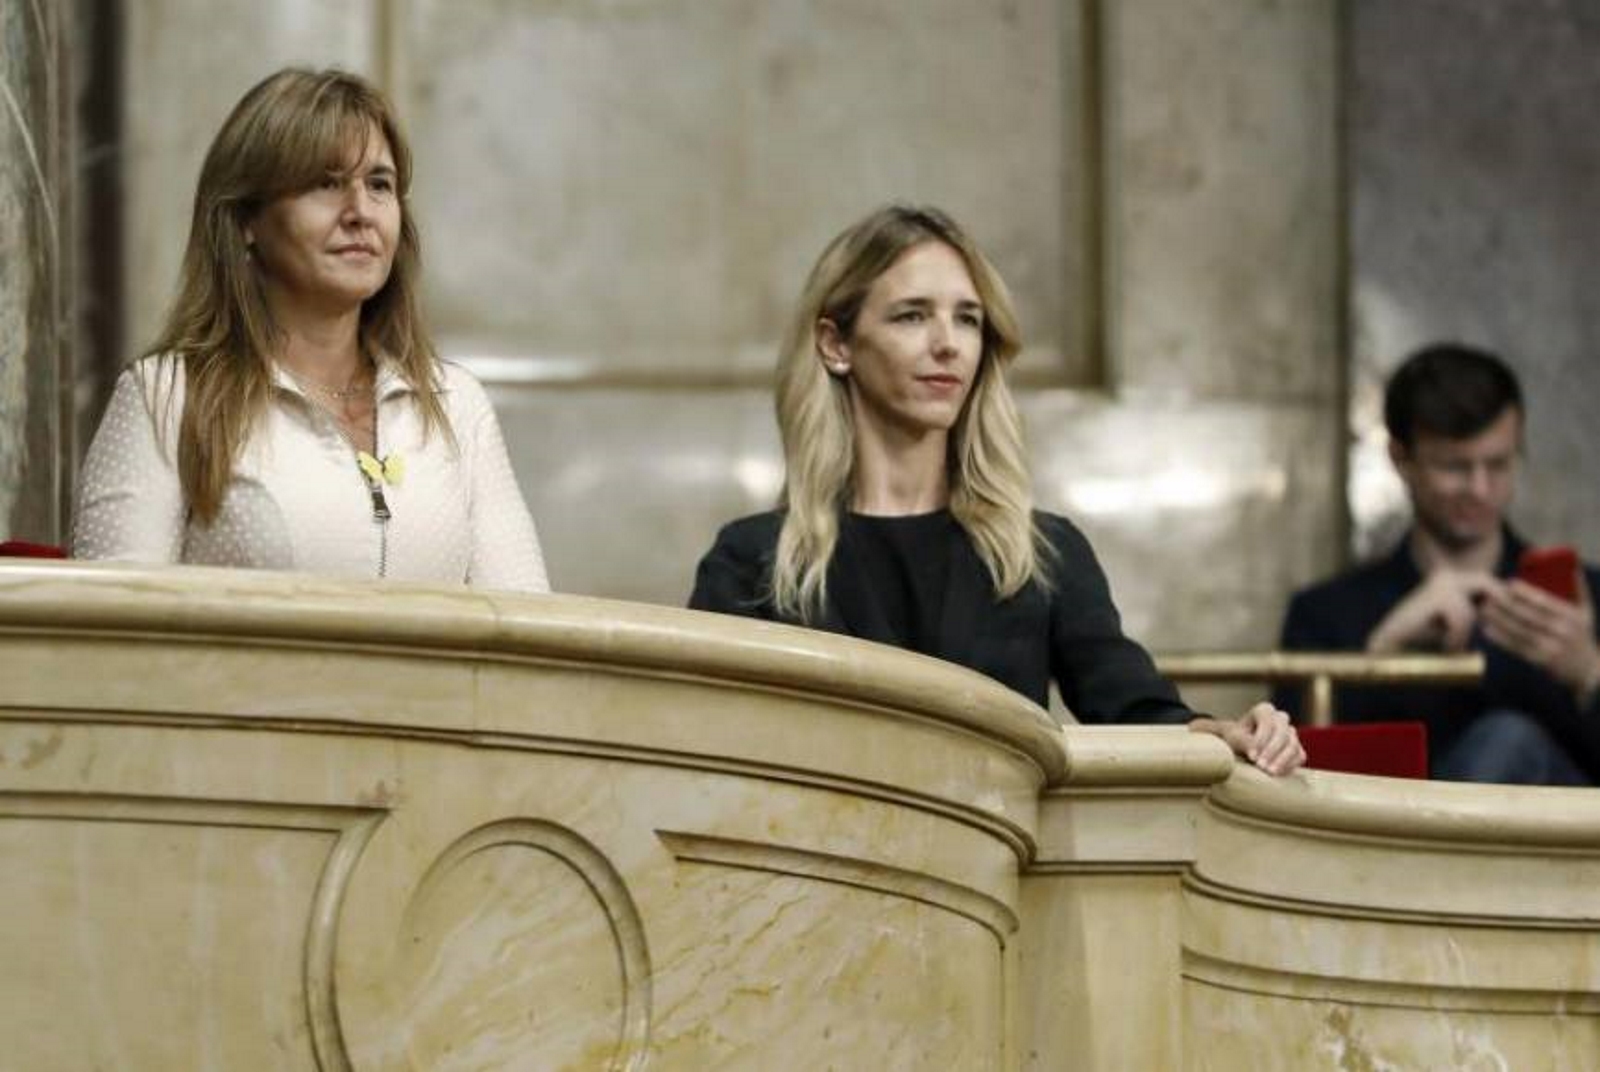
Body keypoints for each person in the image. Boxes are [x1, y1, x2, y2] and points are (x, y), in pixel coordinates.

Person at [689, 205, 1303, 776]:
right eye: (912, 315)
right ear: (836, 344)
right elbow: (705, 751)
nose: (948, 344)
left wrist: (1224, 734)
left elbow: (1134, 710)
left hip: (1000, 880)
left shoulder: (1042, 551)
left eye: (968, 319)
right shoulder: (754, 560)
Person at [72, 68, 548, 593]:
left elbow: (524, 631)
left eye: (379, 185)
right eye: (325, 183)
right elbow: (109, 642)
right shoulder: (166, 397)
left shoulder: (457, 404)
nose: (360, 212)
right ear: (246, 221)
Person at [1279, 344, 1600, 784]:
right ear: (1400, 458)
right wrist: (1381, 653)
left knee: (1509, 740)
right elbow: (1302, 793)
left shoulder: (1583, 600)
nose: (1480, 488)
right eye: (1455, 466)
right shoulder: (1326, 614)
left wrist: (1589, 673)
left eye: (1498, 464)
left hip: (1564, 846)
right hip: (1392, 840)